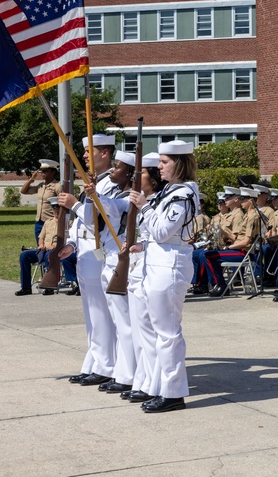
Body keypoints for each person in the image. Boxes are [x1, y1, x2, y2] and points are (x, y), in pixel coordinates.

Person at [128, 140, 200, 413]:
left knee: (168, 334)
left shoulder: (183, 195)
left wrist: (145, 206)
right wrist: (142, 245)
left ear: (179, 164)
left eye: (164, 162)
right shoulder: (171, 192)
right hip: (157, 263)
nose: (159, 167)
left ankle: (173, 393)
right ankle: (161, 386)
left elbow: (162, 232)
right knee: (158, 332)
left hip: (169, 267)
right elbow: (157, 238)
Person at [57, 133, 121, 387]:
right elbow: (79, 225)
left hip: (99, 253)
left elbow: (101, 223)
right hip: (85, 252)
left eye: (89, 151)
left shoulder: (111, 185)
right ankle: (95, 361)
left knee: (101, 313)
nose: (84, 155)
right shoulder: (92, 183)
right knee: (92, 314)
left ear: (104, 153)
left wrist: (74, 205)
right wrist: (71, 243)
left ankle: (106, 365)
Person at [86, 150, 136, 394]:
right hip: (109, 256)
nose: (112, 170)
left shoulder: (131, 196)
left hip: (120, 258)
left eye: (117, 167)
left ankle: (128, 375)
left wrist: (96, 195)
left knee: (124, 321)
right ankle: (121, 371)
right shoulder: (116, 191)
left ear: (129, 173)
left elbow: (114, 209)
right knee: (118, 321)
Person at [123, 152, 162, 403]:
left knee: (151, 332)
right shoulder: (145, 199)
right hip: (140, 266)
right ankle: (144, 380)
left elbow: (163, 234)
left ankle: (154, 384)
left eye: (143, 173)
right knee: (139, 330)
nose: (137, 178)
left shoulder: (159, 200)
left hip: (154, 267)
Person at [203, 186, 261, 297]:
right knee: (209, 254)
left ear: (251, 200)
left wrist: (229, 247)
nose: (241, 201)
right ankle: (218, 284)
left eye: (243, 199)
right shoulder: (248, 215)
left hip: (243, 252)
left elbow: (246, 241)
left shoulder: (252, 217)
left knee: (209, 256)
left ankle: (221, 285)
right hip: (239, 250)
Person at [15, 197, 77, 295]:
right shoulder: (48, 222)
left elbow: (70, 240)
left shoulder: (68, 223)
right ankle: (26, 287)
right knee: (24, 256)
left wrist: (55, 246)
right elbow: (41, 237)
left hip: (57, 250)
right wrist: (41, 245)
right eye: (54, 208)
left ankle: (49, 285)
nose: (56, 210)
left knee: (49, 256)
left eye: (58, 208)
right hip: (44, 249)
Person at [20, 159, 60, 246]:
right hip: (39, 221)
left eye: (45, 171)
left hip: (50, 221)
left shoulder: (57, 186)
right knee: (40, 246)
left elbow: (62, 203)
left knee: (50, 245)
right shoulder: (41, 186)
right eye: (41, 171)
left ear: (52, 172)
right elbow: (24, 191)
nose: (42, 173)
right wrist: (31, 179)